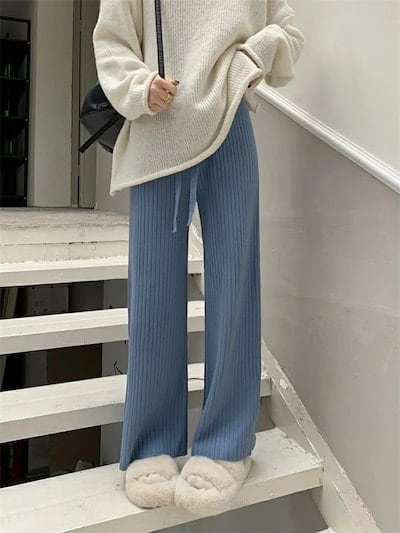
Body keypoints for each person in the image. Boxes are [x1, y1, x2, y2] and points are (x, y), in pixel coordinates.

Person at [92, 0, 304, 517]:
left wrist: (249, 57)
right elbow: (112, 39)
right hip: (159, 127)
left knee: (234, 285)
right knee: (153, 294)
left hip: (229, 125)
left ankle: (226, 446)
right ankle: (150, 443)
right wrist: (139, 86)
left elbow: (287, 31)